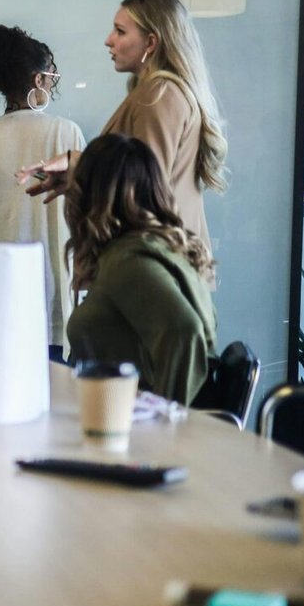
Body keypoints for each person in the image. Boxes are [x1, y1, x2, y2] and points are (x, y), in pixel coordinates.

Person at [19, 0, 227, 264]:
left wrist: (80, 167)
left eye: (120, 31)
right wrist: (77, 171)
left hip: (154, 267)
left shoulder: (159, 95)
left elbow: (145, 188)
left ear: (151, 42)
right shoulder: (159, 93)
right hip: (160, 264)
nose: (109, 40)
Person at [0, 24, 85, 348]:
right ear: (38, 79)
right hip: (49, 296)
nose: (53, 80)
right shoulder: (67, 135)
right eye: (51, 74)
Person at [63, 133, 217, 404]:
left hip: (130, 428)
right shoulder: (154, 248)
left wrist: (164, 418)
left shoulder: (128, 261)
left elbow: (185, 331)